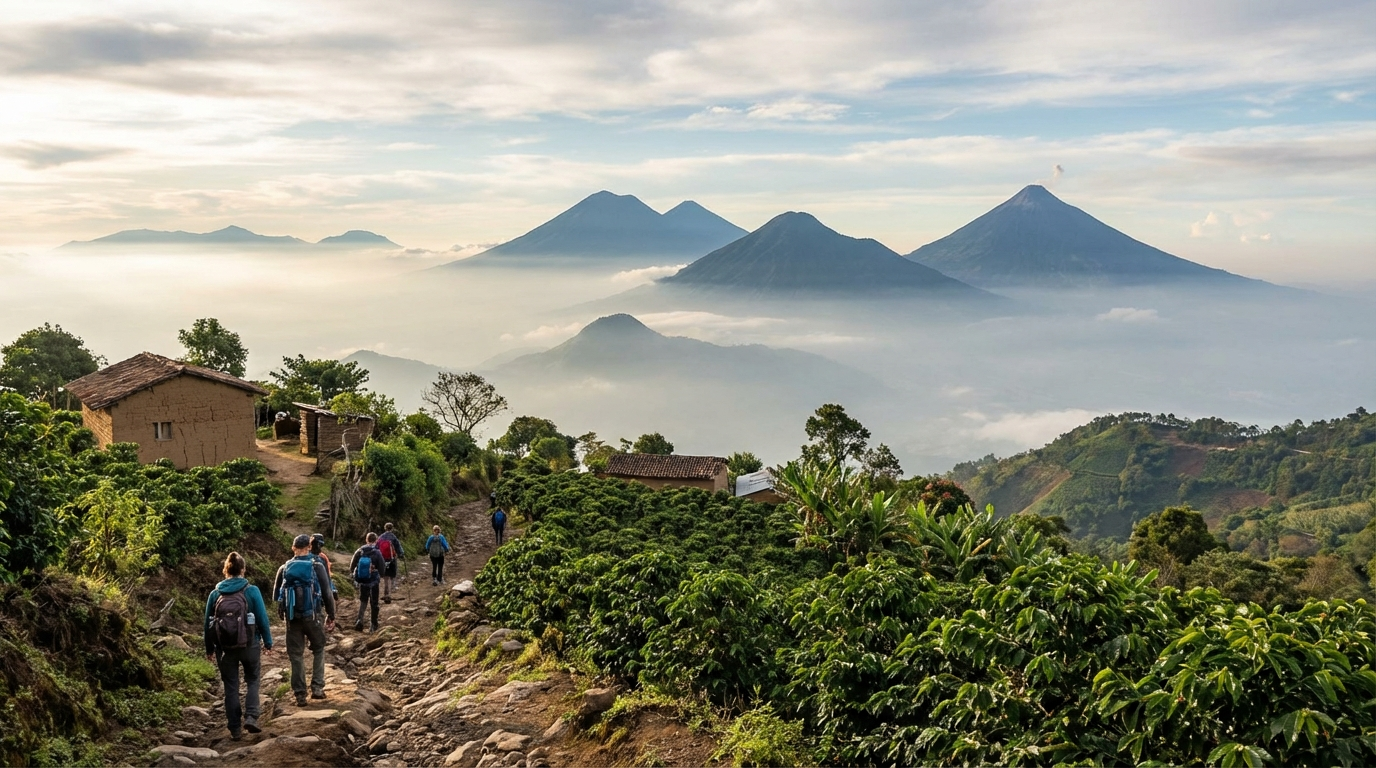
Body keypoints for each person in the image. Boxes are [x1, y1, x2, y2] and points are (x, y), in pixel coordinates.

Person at [204, 552, 273, 740]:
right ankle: (251, 716)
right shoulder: (252, 591)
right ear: (243, 570)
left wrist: (209, 648)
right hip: (249, 645)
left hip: (224, 649)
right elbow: (262, 619)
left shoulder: (215, 593)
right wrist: (268, 642)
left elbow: (207, 624)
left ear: (226, 570)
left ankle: (234, 728)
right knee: (252, 680)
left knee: (231, 687)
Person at [273, 534, 337, 706]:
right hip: (314, 615)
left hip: (292, 618)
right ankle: (317, 688)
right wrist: (331, 615)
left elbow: (276, 595)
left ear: (293, 548)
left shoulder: (284, 567)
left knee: (296, 655)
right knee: (318, 649)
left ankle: (300, 694)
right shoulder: (317, 565)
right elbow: (327, 593)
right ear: (309, 547)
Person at [349, 533, 385, 633]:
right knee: (374, 603)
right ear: (376, 540)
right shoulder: (377, 552)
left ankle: (359, 620)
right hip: (373, 581)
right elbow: (382, 566)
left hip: (363, 580)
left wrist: (353, 572)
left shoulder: (360, 550)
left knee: (363, 601)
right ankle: (373, 625)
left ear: (366, 539)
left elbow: (352, 564)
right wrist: (381, 574)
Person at [377, 522, 404, 604]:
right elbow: (398, 547)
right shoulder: (393, 537)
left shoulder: (381, 537)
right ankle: (390, 593)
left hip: (383, 559)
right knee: (392, 576)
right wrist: (401, 554)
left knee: (385, 577)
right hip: (391, 559)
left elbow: (376, 547)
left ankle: (386, 593)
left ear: (385, 528)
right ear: (392, 528)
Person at [309, 533, 338, 601]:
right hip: (317, 593)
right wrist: (333, 590)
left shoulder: (301, 555)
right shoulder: (322, 558)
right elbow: (327, 578)